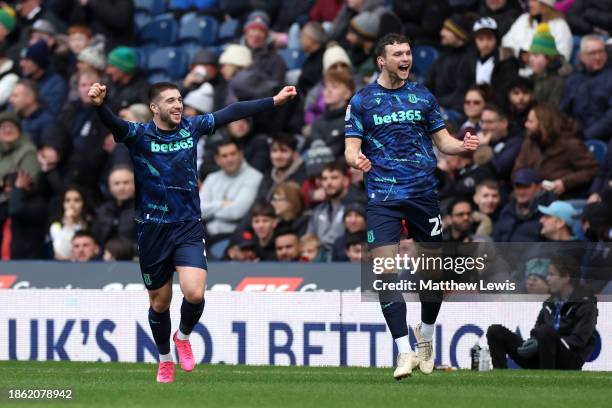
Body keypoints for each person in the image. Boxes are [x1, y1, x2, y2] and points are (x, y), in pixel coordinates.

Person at [87, 80, 296, 383]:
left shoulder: (192, 127)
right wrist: (99, 106)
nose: (177, 105)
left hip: (187, 226)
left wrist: (273, 101)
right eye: (170, 101)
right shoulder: (138, 134)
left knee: (195, 292)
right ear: (154, 107)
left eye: (180, 99)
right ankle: (164, 359)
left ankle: (183, 337)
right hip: (152, 230)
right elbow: (114, 124)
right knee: (159, 303)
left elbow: (233, 111)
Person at [344, 33, 479, 380]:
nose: (405, 58)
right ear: (382, 61)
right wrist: (356, 160)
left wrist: (462, 146)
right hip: (383, 199)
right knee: (384, 274)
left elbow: (443, 142)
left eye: (408, 52)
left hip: (423, 195)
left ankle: (427, 336)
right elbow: (350, 147)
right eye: (398, 54)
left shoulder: (422, 96)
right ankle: (404, 351)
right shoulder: (362, 101)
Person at [486, 256, 598, 370]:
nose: (547, 279)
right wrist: (532, 342)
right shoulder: (550, 303)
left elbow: (578, 341)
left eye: (552, 274)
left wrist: (549, 341)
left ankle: (547, 380)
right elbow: (537, 330)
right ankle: (500, 376)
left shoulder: (586, 305)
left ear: (566, 278)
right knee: (495, 331)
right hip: (542, 354)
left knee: (546, 331)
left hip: (568, 360)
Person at [513, 104, 599, 198]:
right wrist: (528, 182)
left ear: (543, 124)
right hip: (529, 195)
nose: (526, 125)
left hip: (562, 198)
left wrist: (565, 182)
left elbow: (592, 170)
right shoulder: (529, 143)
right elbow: (517, 170)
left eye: (530, 121)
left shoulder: (570, 145)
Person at [200, 139, 263, 245]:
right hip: (206, 234)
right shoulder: (212, 178)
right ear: (217, 159)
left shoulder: (254, 176)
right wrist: (222, 204)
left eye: (233, 154)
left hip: (235, 237)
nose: (229, 159)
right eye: (224, 156)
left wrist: (210, 210)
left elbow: (237, 212)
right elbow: (198, 210)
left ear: (241, 154)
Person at [560, 35, 612, 141]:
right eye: (592, 53)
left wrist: (586, 136)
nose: (598, 57)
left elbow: (610, 118)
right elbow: (563, 111)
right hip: (574, 136)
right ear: (581, 56)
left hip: (604, 138)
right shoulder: (573, 80)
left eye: (601, 52)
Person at [493, 168, 556, 242]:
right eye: (518, 187)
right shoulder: (507, 210)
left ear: (538, 187)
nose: (521, 192)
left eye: (526, 187)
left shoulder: (549, 211)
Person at [91, 165, 136, 250]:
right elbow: (94, 239)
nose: (121, 187)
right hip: (102, 260)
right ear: (110, 187)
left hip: (132, 260)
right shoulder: (102, 211)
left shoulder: (145, 211)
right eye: (117, 183)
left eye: (126, 182)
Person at [9, 79, 55, 147]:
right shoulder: (15, 117)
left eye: (15, 96)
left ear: (30, 98)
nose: (10, 100)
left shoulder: (47, 122)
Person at [49, 186, 91, 260]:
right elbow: (61, 253)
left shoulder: (90, 225)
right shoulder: (56, 226)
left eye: (76, 200)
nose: (71, 205)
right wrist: (68, 225)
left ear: (83, 203)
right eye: (67, 201)